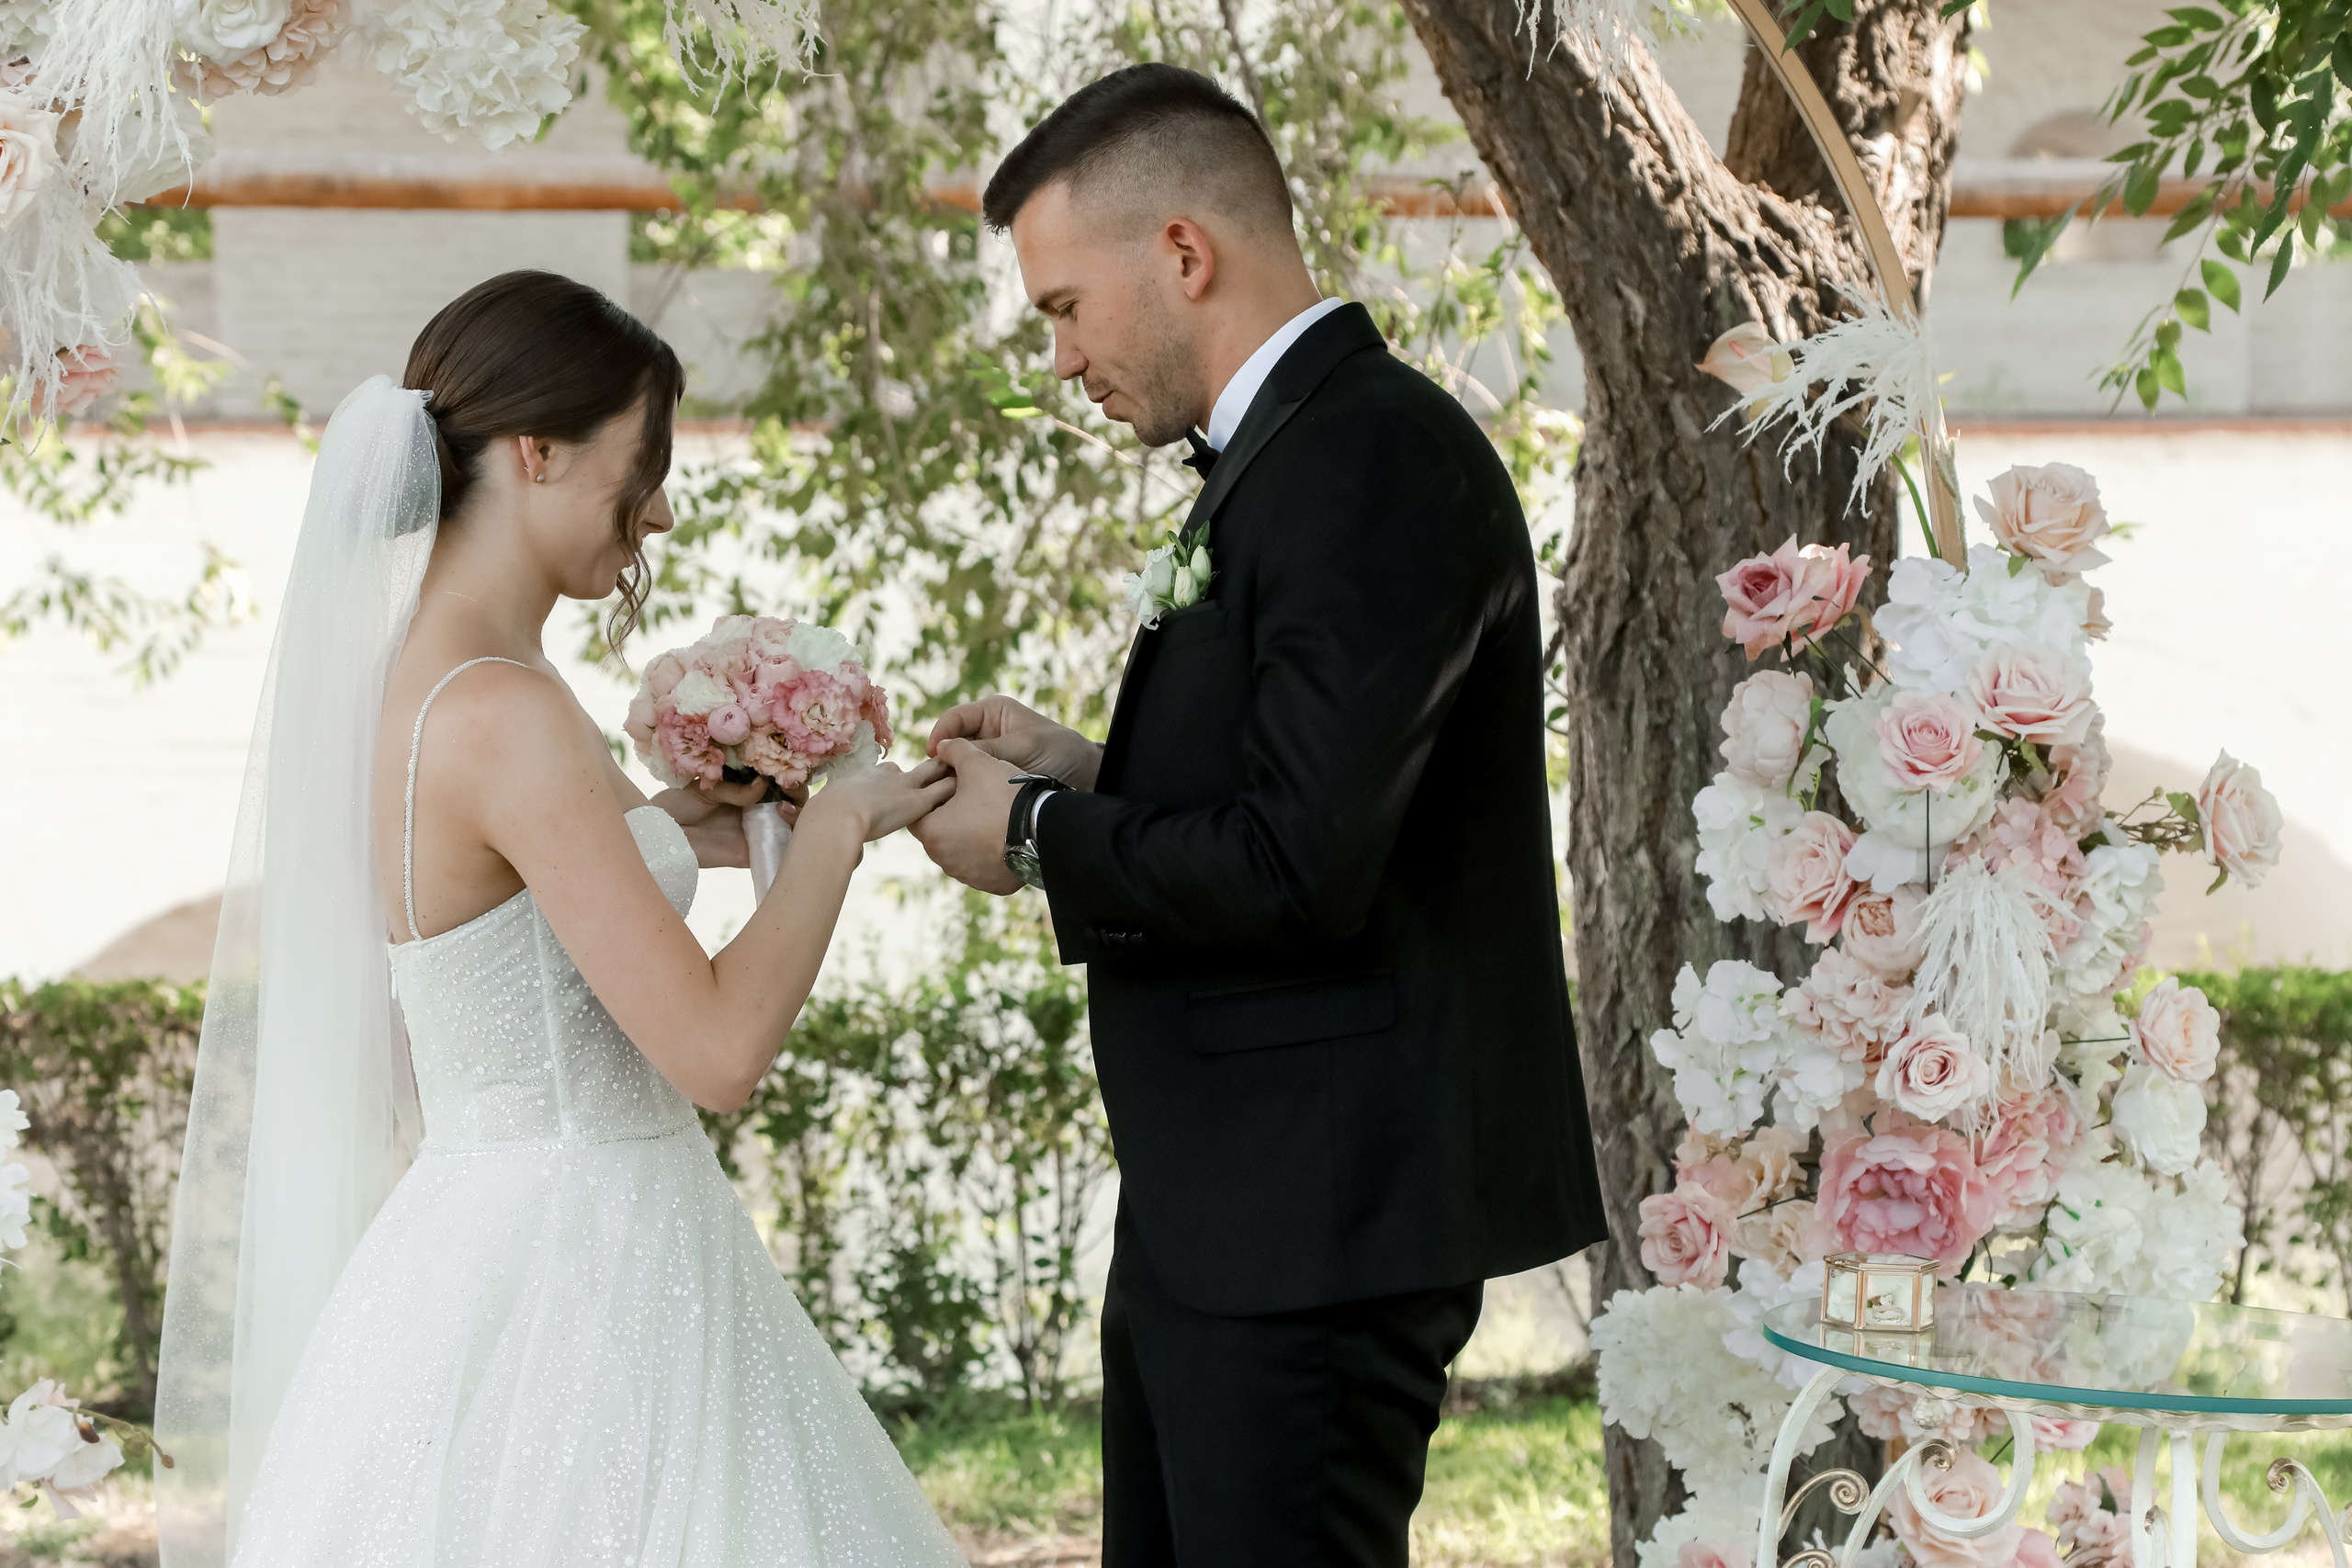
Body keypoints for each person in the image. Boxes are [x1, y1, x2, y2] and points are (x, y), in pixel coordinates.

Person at [153, 271, 966, 1567]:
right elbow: (716, 1053)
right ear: (536, 450)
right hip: (594, 1270)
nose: (654, 509)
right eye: (639, 464)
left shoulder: (417, 683)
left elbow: (511, 928)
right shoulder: (505, 711)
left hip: (474, 1244)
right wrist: (835, 827)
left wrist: (665, 827)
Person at [910, 63, 1611, 1568]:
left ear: (1182, 253)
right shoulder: (1298, 456)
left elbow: (1302, 868)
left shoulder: (1371, 461)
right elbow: (1313, 791)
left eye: (1062, 309)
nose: (1062, 358)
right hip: (1230, 1208)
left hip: (1320, 1226)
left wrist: (1035, 836)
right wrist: (1090, 771)